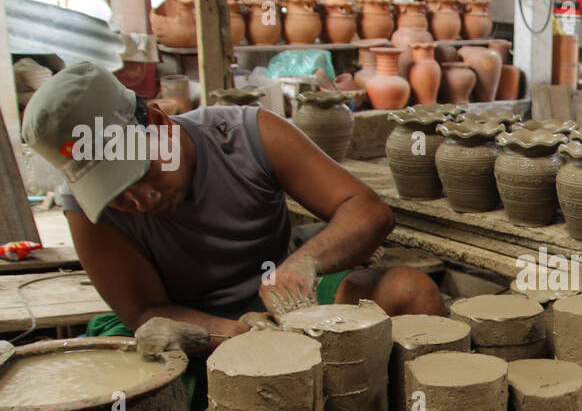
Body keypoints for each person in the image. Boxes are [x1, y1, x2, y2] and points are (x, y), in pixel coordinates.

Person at [22, 62, 443, 364]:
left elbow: (368, 211)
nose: (141, 201)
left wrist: (302, 265)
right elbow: (144, 311)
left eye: (141, 173)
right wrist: (237, 335)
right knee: (120, 391)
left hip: (291, 299)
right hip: (188, 325)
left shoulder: (246, 134)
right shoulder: (84, 209)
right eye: (115, 193)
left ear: (158, 121)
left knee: (410, 292)